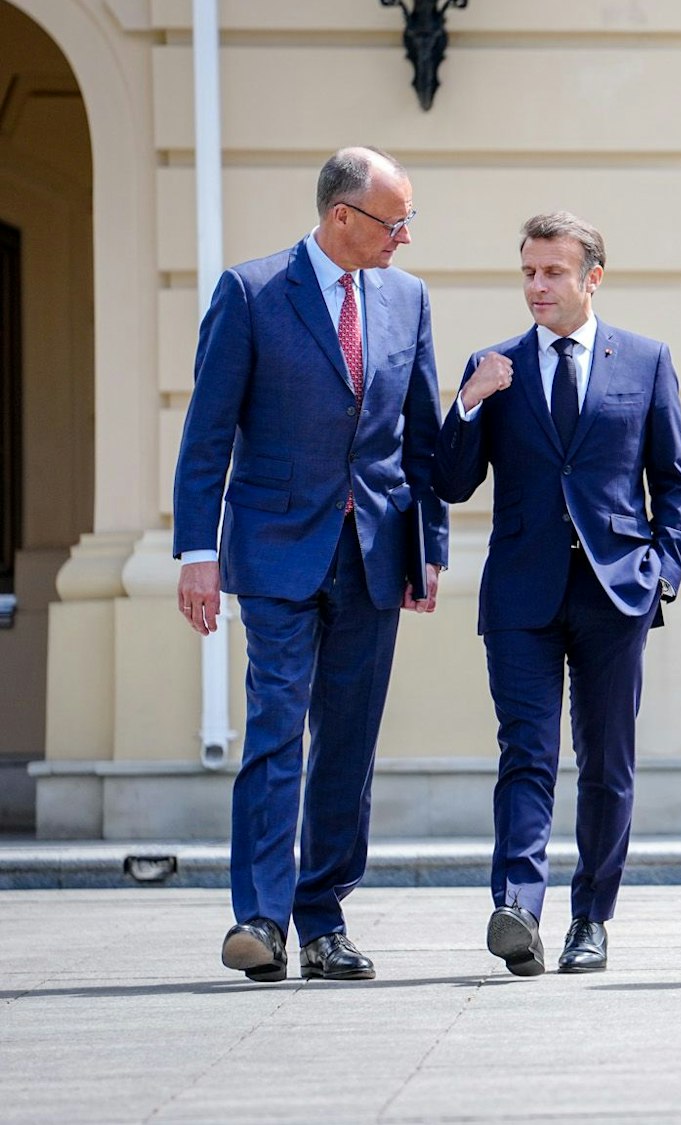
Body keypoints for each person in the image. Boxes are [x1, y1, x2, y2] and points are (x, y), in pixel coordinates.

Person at [173, 146, 447, 983]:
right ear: (341, 216)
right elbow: (207, 434)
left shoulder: (408, 298)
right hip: (276, 552)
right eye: (392, 220)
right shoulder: (251, 293)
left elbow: (422, 439)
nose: (403, 236)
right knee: (275, 727)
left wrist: (428, 545)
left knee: (348, 745)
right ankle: (259, 916)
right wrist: (196, 551)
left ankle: (323, 917)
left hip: (374, 555)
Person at [433, 212, 681, 976]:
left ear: (592, 278)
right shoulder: (497, 364)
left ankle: (591, 916)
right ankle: (518, 905)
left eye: (552, 272)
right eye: (527, 273)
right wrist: (469, 402)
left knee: (608, 761)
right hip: (521, 593)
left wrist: (662, 574)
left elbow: (673, 484)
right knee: (527, 752)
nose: (537, 286)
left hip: (617, 593)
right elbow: (449, 480)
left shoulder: (645, 361)